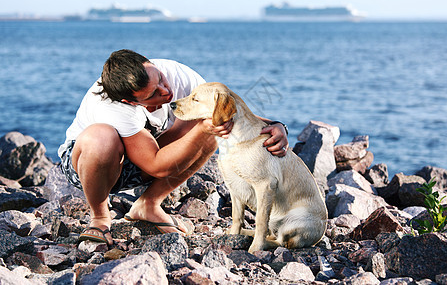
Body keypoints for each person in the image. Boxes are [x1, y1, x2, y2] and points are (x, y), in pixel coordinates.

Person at [58, 49, 289, 245]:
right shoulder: (111, 106)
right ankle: (100, 218)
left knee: (212, 122)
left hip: (145, 154)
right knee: (101, 138)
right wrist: (200, 130)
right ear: (132, 101)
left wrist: (274, 126)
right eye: (153, 94)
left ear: (150, 65)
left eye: (159, 78)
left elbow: (223, 109)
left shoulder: (175, 73)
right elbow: (156, 166)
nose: (166, 90)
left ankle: (148, 204)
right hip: (91, 166)